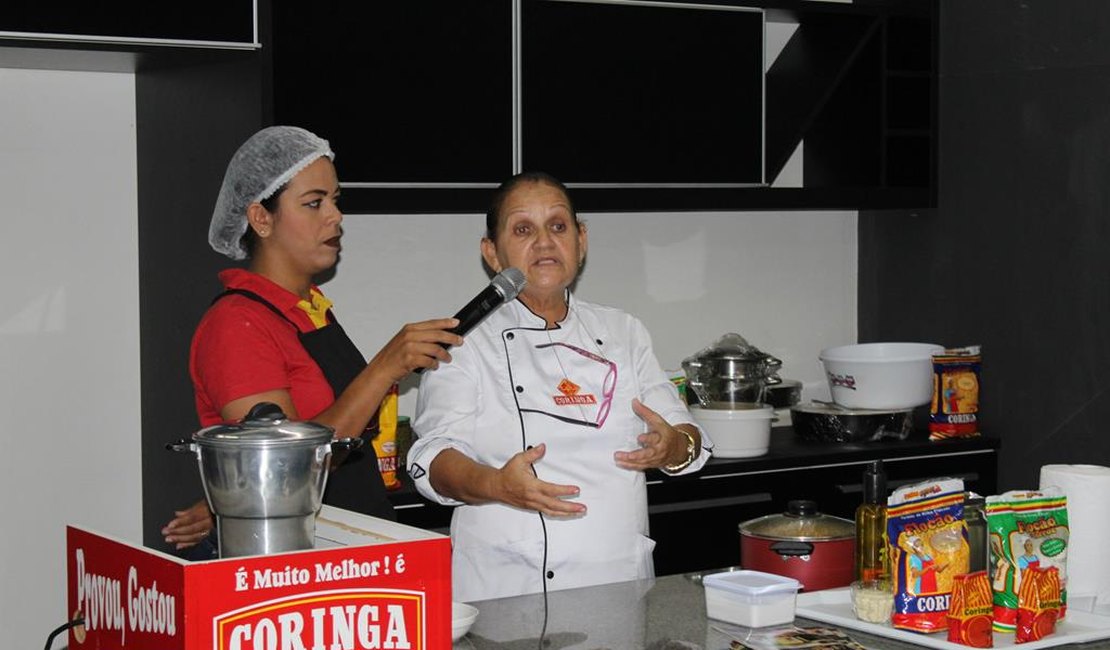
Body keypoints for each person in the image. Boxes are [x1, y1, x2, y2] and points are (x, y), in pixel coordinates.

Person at [406, 171, 712, 602]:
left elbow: (686, 437)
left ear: (581, 240)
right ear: (492, 253)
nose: (545, 242)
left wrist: (673, 447)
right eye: (523, 229)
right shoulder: (465, 340)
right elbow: (431, 458)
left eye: (558, 226)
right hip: (505, 590)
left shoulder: (623, 332)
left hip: (616, 582)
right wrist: (498, 485)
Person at [162, 126, 462, 552]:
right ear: (261, 218)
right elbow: (280, 473)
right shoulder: (237, 325)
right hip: (292, 559)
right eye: (313, 203)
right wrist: (385, 366)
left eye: (335, 200)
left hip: (347, 546)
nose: (335, 216)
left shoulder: (312, 310)